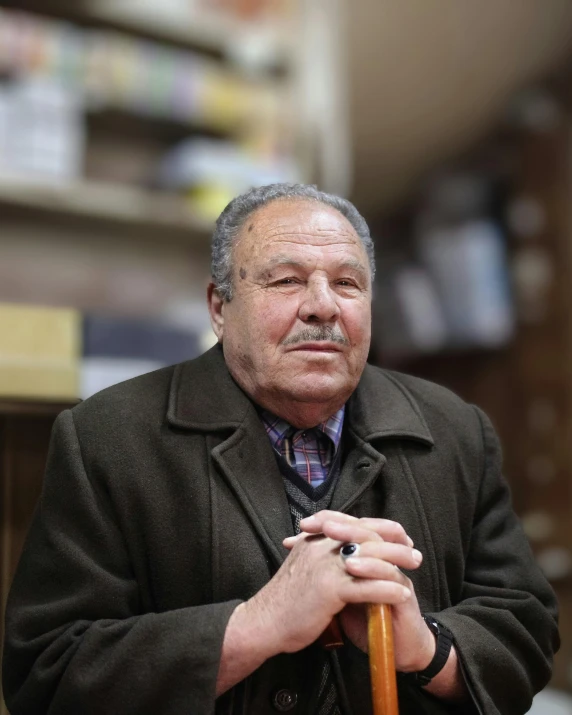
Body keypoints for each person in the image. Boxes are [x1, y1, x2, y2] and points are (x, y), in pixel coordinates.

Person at [2, 183, 559, 715]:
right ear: (219, 307)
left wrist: (424, 647)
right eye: (287, 281)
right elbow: (46, 674)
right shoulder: (107, 437)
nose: (323, 306)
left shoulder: (456, 430)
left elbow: (526, 629)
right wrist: (256, 625)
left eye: (347, 284)